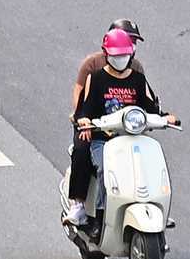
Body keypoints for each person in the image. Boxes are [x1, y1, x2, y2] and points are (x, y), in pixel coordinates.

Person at [66, 26, 168, 228]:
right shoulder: (94, 76)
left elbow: (149, 105)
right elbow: (83, 106)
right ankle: (99, 215)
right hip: (101, 137)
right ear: (107, 53)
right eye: (116, 55)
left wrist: (165, 118)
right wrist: (84, 121)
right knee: (106, 169)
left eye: (125, 54)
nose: (120, 58)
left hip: (130, 136)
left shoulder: (138, 77)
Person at [70, 18, 144, 121]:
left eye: (134, 41)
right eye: (129, 39)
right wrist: (81, 116)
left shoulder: (136, 67)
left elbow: (143, 98)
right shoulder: (92, 63)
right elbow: (80, 90)